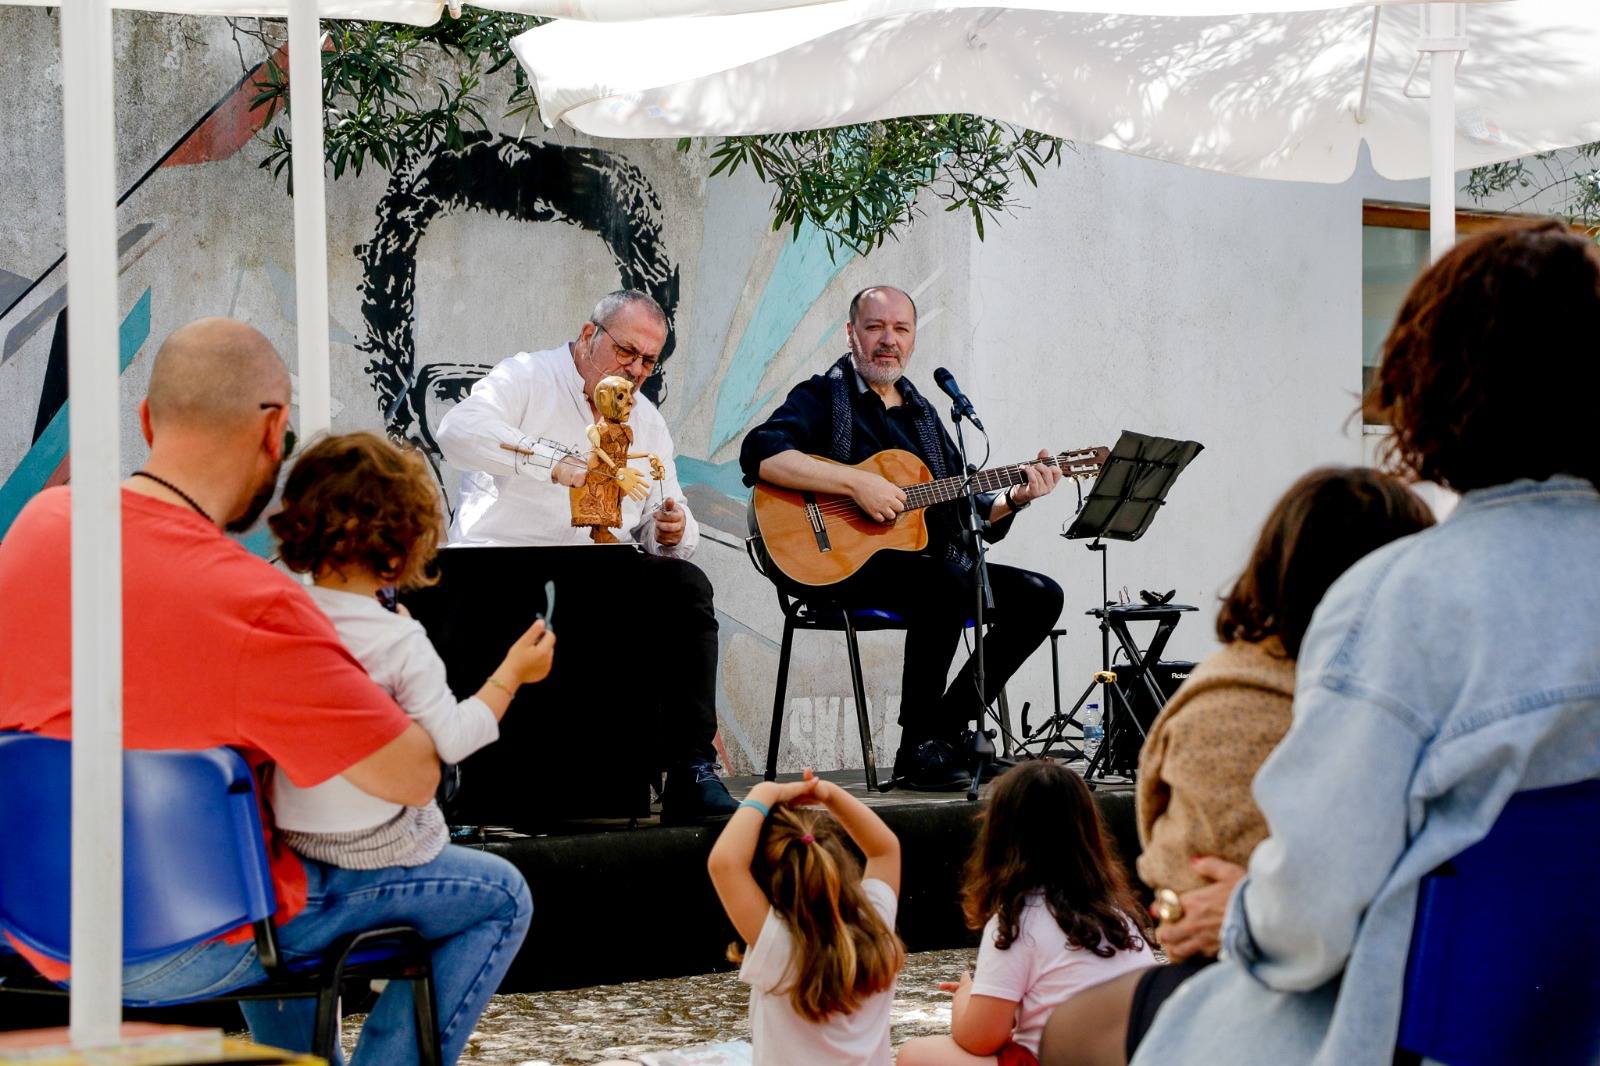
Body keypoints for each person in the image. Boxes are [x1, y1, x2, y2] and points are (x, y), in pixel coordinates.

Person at [1126, 220, 1600, 1066]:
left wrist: (1243, 914)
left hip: (1428, 1037)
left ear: (1433, 384)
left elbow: (1307, 918)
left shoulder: (1400, 603)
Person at [0, 318, 531, 1066]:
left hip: (31, 918)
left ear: (148, 421)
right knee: (500, 895)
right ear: (276, 429)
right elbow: (413, 773)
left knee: (251, 842)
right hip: (179, 938)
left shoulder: (38, 524)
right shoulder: (255, 601)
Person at [1037, 467, 1434, 1066]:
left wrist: (1227, 906)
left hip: (1298, 977)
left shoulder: (1232, 699)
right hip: (1386, 970)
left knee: (1072, 1031)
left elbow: (1194, 878)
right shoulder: (1421, 682)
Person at [739, 286, 1065, 791]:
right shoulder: (824, 396)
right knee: (946, 580)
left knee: (1039, 595)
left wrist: (1016, 498)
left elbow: (966, 511)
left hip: (919, 573)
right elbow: (761, 453)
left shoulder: (925, 417)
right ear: (852, 334)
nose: (887, 340)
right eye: (875, 327)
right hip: (832, 567)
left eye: (900, 329)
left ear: (913, 340)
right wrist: (856, 482)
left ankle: (947, 731)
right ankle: (916, 748)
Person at [436, 289, 736, 822]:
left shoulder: (646, 420)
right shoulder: (527, 376)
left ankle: (691, 769)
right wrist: (558, 463)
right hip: (507, 565)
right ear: (587, 335)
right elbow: (457, 431)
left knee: (685, 585)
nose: (637, 369)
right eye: (627, 352)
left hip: (600, 572)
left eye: (649, 360)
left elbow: (669, 519)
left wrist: (671, 526)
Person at [267, 431, 557, 869]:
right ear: (406, 539)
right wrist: (514, 672)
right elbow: (456, 738)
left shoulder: (276, 621)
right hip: (377, 853)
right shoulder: (399, 640)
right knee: (509, 895)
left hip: (292, 844)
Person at [899, 760, 1151, 1066]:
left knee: (915, 1054)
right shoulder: (1118, 917)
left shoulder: (1017, 922)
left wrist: (967, 995)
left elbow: (980, 1039)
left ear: (999, 837)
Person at [706, 769, 905, 1066]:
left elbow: (725, 863)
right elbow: (885, 849)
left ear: (764, 885)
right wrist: (827, 793)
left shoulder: (780, 948)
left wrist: (765, 792)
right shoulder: (875, 924)